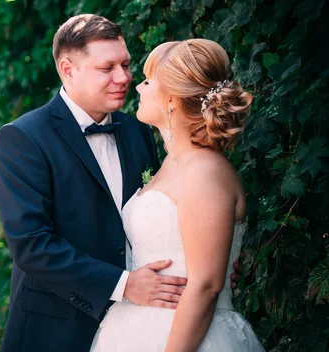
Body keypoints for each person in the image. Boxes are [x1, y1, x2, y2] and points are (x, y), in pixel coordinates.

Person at [0, 15, 244, 352]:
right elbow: (31, 245)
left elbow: (178, 215)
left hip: (154, 325)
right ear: (68, 69)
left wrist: (213, 259)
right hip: (55, 328)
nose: (124, 78)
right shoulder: (23, 138)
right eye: (107, 67)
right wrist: (124, 285)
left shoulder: (138, 131)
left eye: (126, 64)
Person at [90, 39, 263, 351]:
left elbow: (207, 285)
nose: (137, 88)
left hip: (187, 335)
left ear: (170, 99)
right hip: (134, 329)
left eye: (147, 80)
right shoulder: (172, 163)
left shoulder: (205, 171)